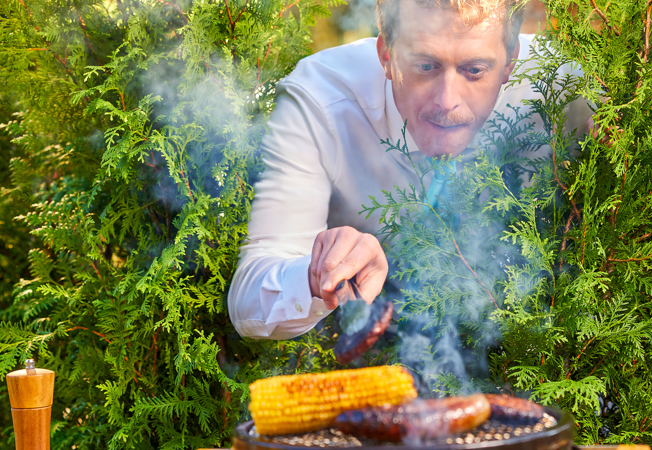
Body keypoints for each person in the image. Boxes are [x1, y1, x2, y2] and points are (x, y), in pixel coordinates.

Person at [227, 0, 591, 340]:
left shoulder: (567, 87)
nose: (447, 101)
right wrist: (313, 276)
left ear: (510, 60)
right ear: (386, 54)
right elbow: (248, 297)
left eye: (474, 70)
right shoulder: (319, 100)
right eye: (426, 66)